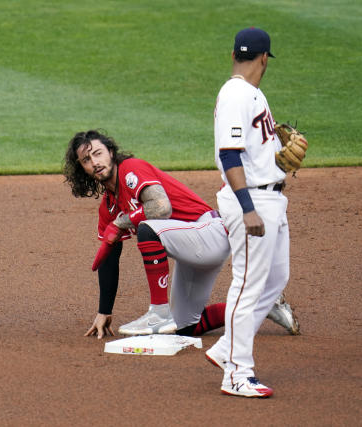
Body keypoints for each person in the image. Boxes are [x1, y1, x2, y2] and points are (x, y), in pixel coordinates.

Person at [63, 130, 299, 340]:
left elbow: (161, 207)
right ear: (82, 169)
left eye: (98, 153)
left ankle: (158, 312)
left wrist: (121, 222)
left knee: (148, 229)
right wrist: (104, 310)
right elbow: (109, 260)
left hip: (210, 232)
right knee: (186, 327)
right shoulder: (108, 207)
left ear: (111, 153)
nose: (94, 162)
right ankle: (264, 303)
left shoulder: (130, 170)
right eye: (86, 160)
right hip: (192, 249)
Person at [205, 27, 293, 398]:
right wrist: (248, 209)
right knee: (247, 285)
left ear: (234, 55)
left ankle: (227, 349)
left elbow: (253, 149)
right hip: (251, 201)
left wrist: (278, 144)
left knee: (275, 279)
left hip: (268, 197)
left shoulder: (250, 93)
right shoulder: (236, 94)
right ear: (264, 59)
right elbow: (229, 154)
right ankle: (237, 374)